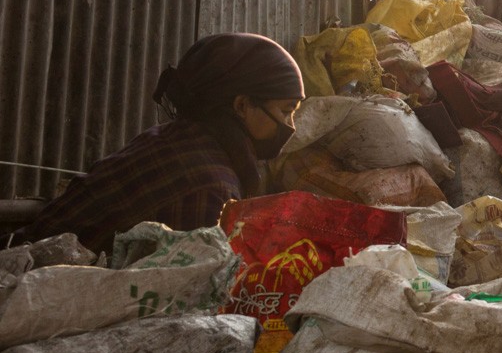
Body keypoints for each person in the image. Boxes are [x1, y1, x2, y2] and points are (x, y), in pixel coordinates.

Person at [15, 33, 304, 253]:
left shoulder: (178, 138)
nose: (290, 126)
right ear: (241, 106)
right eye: (285, 111)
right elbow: (187, 291)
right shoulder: (211, 186)